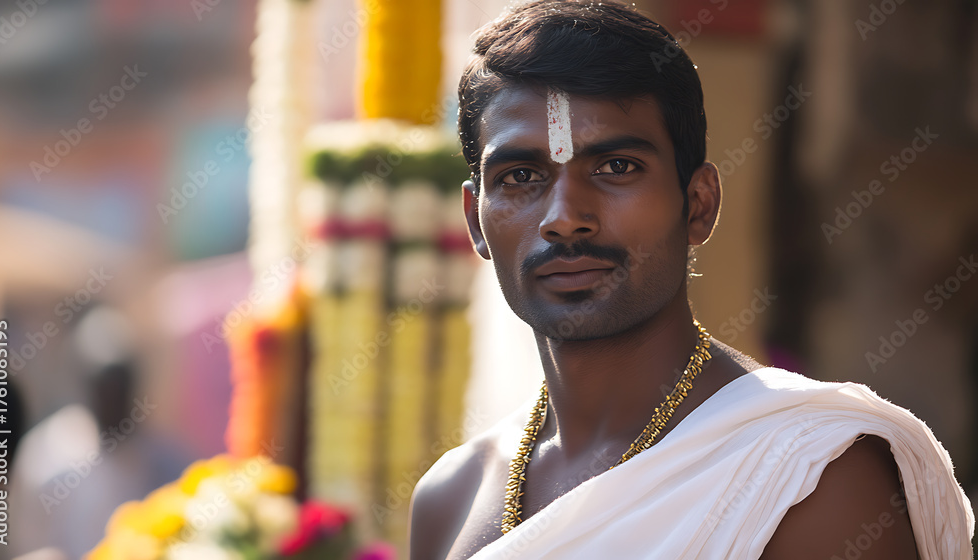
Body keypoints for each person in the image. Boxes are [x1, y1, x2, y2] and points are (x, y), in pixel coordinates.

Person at [407, 1, 974, 559]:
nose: (564, 217)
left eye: (616, 167)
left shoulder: (811, 476)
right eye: (520, 176)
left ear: (699, 204)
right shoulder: (451, 499)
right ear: (475, 222)